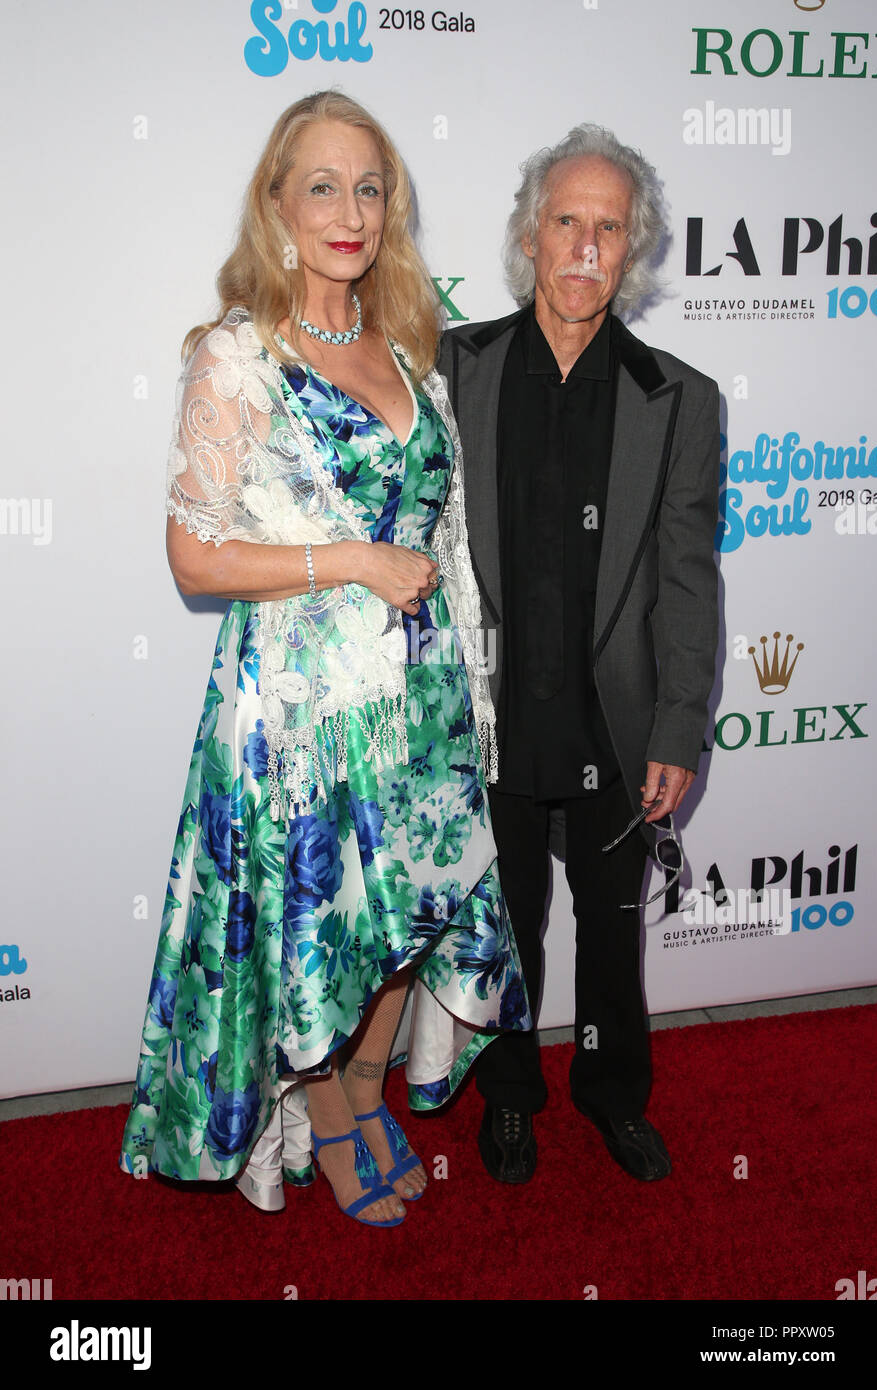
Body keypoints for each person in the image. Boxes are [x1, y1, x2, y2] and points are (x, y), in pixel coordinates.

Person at [119, 91, 530, 1228]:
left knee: (415, 909)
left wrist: (474, 693)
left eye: (369, 186)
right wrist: (350, 559)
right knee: (328, 915)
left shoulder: (408, 349)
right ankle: (331, 1115)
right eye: (321, 184)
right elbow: (195, 557)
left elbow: (441, 540)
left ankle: (362, 1083)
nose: (348, 210)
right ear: (276, 202)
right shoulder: (236, 355)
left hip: (425, 694)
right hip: (304, 714)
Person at [437, 124, 720, 1185]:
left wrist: (680, 726)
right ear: (528, 234)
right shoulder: (452, 368)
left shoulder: (680, 398)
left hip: (616, 717)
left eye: (610, 228)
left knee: (612, 935)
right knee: (506, 927)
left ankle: (611, 1094)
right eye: (568, 220)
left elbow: (690, 576)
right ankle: (509, 1096)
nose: (586, 247)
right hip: (489, 715)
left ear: (632, 249)